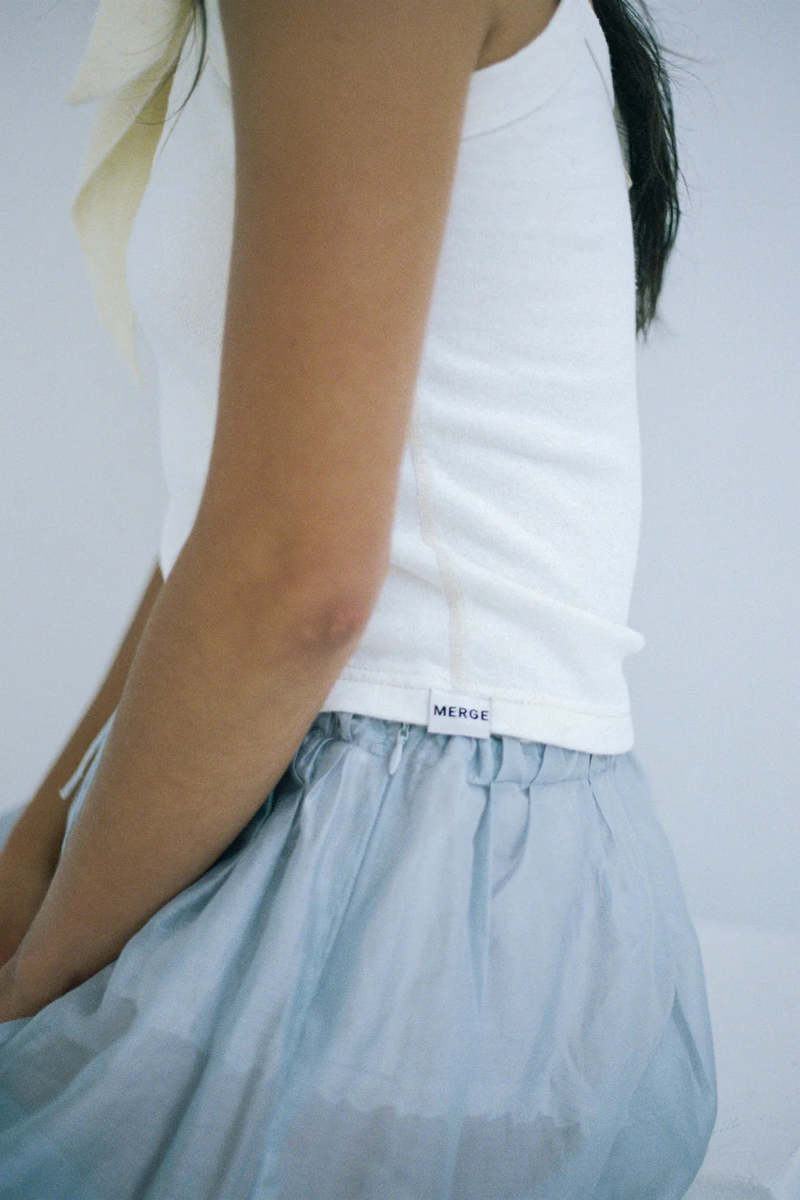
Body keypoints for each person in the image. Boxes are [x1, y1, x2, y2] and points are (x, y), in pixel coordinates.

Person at [0, 0, 717, 1194]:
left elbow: (297, 582)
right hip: (426, 854)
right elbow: (225, 527)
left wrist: (40, 991)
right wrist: (42, 837)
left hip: (387, 886)